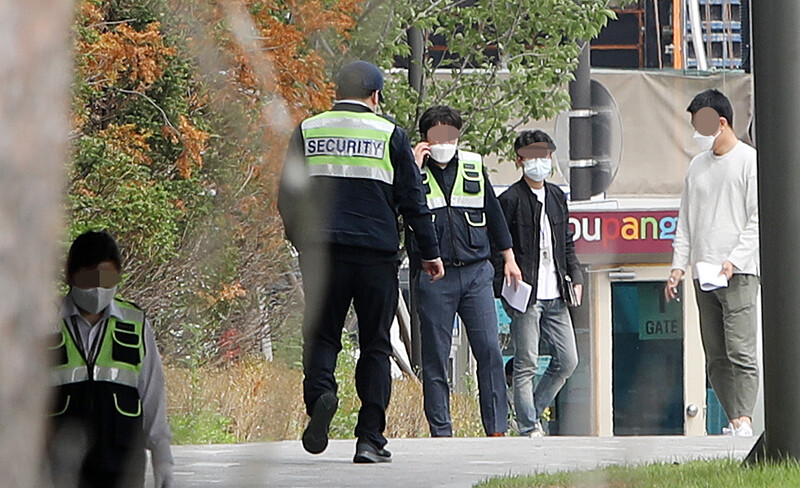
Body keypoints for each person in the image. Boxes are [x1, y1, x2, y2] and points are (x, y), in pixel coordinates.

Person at [278, 61, 444, 463]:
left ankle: (321, 395)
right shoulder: (390, 134)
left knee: (321, 335)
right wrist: (431, 252)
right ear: (375, 97)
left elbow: (287, 197)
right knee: (375, 344)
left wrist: (302, 241)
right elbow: (412, 200)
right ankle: (370, 438)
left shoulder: (309, 130)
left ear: (337, 92)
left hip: (322, 254)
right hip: (376, 255)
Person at [406, 105, 521, 437]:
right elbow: (398, 207)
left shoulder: (472, 165)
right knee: (435, 358)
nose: (444, 140)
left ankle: (497, 428)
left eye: (450, 133)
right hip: (434, 276)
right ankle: (442, 431)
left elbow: (494, 214)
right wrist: (413, 168)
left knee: (489, 349)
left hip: (475, 272)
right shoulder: (412, 172)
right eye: (436, 134)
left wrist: (509, 257)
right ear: (424, 139)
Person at [665, 89, 759, 437]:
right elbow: (685, 220)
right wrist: (678, 266)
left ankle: (745, 419)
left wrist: (734, 260)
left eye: (701, 125)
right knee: (716, 353)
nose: (697, 133)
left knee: (741, 348)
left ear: (722, 123)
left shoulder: (748, 162)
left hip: (738, 272)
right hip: (704, 272)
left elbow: (757, 218)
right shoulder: (697, 166)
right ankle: (734, 419)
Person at [49, 231, 173, 488]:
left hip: (122, 464)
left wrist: (162, 457)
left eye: (106, 279)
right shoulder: (45, 323)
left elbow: (153, 395)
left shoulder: (135, 322)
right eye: (88, 278)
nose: (97, 289)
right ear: (71, 276)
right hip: (60, 465)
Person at [494, 130, 584, 437]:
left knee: (568, 360)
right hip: (526, 295)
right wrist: (504, 287)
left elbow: (567, 243)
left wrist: (576, 276)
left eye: (544, 156)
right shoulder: (509, 200)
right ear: (519, 161)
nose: (539, 163)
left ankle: (528, 410)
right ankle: (529, 425)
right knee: (526, 362)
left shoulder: (558, 196)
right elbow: (498, 246)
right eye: (532, 157)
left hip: (557, 292)